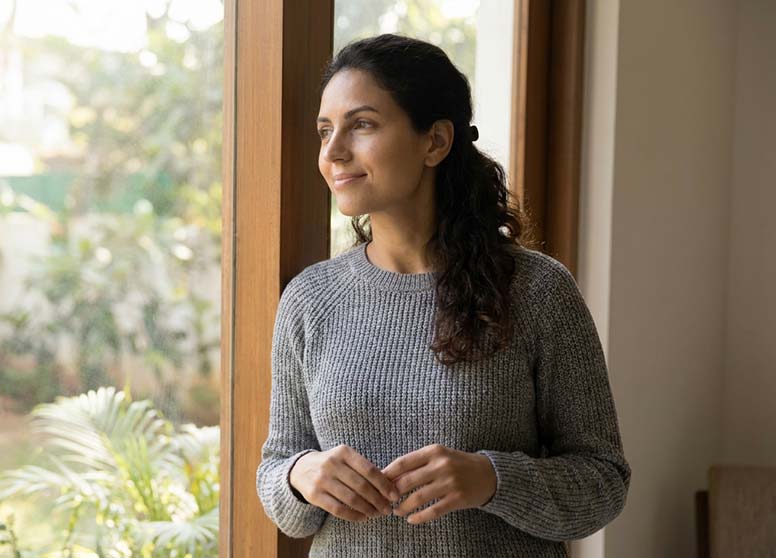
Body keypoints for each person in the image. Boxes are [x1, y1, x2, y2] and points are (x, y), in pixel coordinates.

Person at [255, 33, 630, 557]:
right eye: (325, 131)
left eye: (361, 124)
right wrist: (300, 474)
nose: (333, 152)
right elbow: (277, 474)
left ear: (435, 141)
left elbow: (603, 483)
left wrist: (490, 479)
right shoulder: (310, 299)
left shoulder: (537, 290)